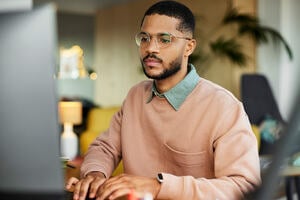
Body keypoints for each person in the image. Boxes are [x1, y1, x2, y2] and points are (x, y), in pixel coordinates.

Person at [66, 1, 261, 199]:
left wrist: (157, 187)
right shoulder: (135, 97)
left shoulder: (223, 107)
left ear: (189, 47)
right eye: (145, 38)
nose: (151, 48)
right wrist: (95, 174)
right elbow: (105, 148)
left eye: (164, 39)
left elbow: (244, 187)